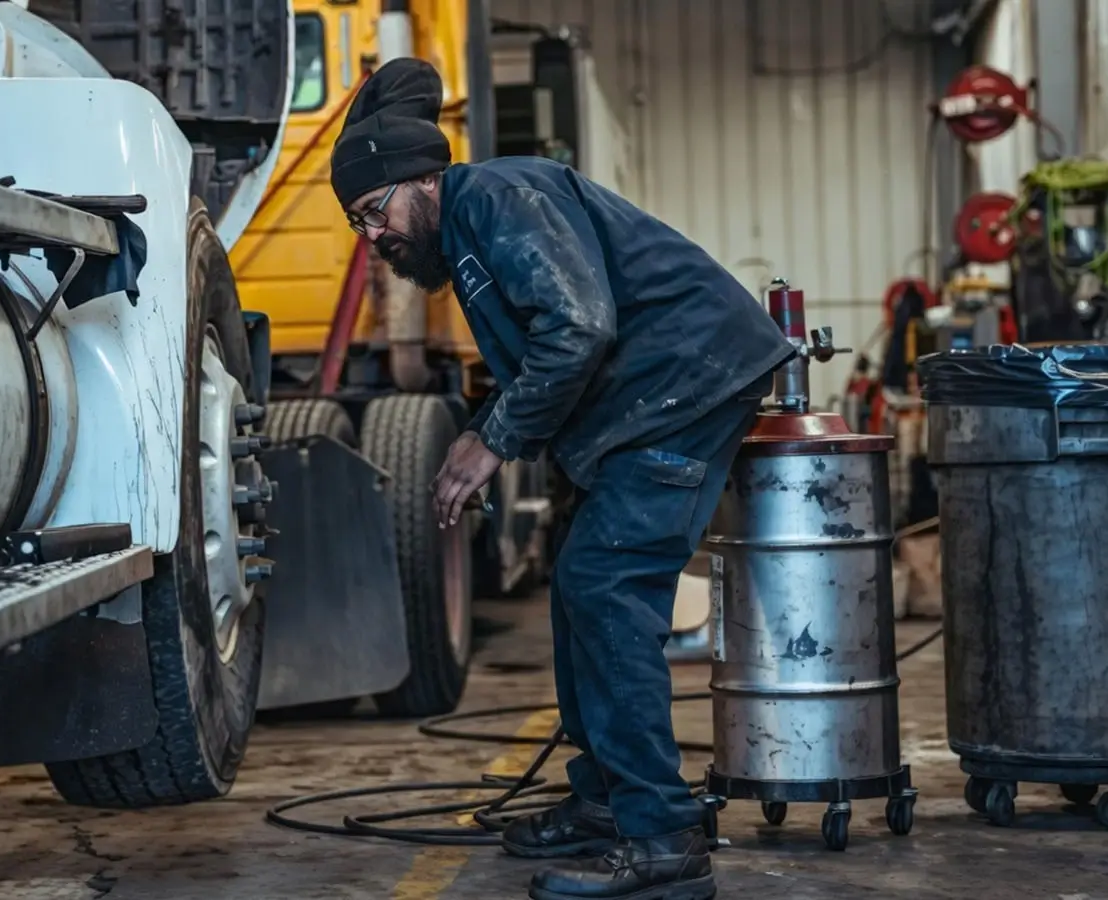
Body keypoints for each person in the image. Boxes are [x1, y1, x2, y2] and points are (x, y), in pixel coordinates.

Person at [330, 58, 795, 900]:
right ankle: (609, 801)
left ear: (422, 178)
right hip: (656, 398)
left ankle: (662, 836)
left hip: (684, 386)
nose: (372, 235)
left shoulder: (495, 197)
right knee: (581, 586)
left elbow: (577, 327)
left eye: (374, 210)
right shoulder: (467, 230)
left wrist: (492, 439)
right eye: (358, 221)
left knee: (607, 586)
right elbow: (554, 341)